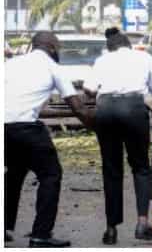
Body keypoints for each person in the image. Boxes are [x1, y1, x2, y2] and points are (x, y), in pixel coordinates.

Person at [82, 28, 152, 245]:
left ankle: (111, 229)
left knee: (111, 169)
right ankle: (142, 223)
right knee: (141, 167)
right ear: (128, 45)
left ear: (110, 47)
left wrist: (102, 90)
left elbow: (89, 89)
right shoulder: (144, 57)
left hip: (106, 111)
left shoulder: (102, 60)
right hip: (133, 110)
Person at [5, 31, 90, 247]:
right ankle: (40, 235)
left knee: (14, 173)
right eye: (58, 47)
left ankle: (4, 227)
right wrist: (100, 127)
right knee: (51, 174)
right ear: (52, 47)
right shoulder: (54, 68)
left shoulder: (10, 64)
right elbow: (78, 108)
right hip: (27, 129)